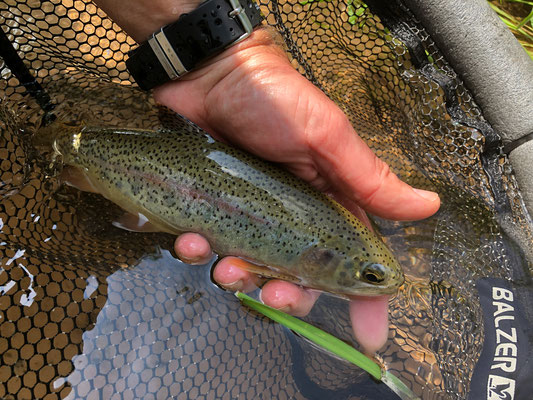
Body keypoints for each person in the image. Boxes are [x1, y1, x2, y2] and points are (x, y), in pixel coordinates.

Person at [94, 0, 440, 354]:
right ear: (321, 258)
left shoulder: (336, 232)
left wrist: (224, 66)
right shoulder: (331, 236)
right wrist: (225, 68)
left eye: (371, 276)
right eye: (370, 277)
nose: (374, 283)